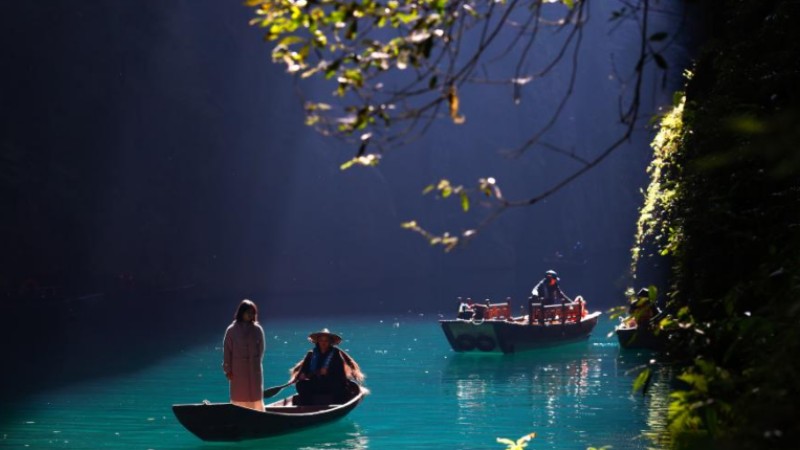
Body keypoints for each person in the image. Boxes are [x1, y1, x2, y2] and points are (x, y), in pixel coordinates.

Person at [290, 328, 365, 405]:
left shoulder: (336, 354)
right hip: (316, 384)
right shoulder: (311, 354)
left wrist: (328, 372)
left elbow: (341, 374)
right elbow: (303, 370)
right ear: (317, 342)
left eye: (326, 341)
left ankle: (335, 405)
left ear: (330, 342)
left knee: (337, 386)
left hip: (330, 384)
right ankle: (306, 406)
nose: (323, 343)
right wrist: (302, 375)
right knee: (300, 385)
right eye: (321, 340)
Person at [222, 299, 266, 411]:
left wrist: (256, 363)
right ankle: (238, 417)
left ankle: (258, 416)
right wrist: (228, 369)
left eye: (253, 313)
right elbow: (227, 351)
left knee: (255, 397)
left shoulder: (257, 329)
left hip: (254, 370)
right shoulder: (231, 330)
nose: (251, 315)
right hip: (238, 370)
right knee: (239, 397)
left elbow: (261, 349)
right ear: (241, 312)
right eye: (249, 312)